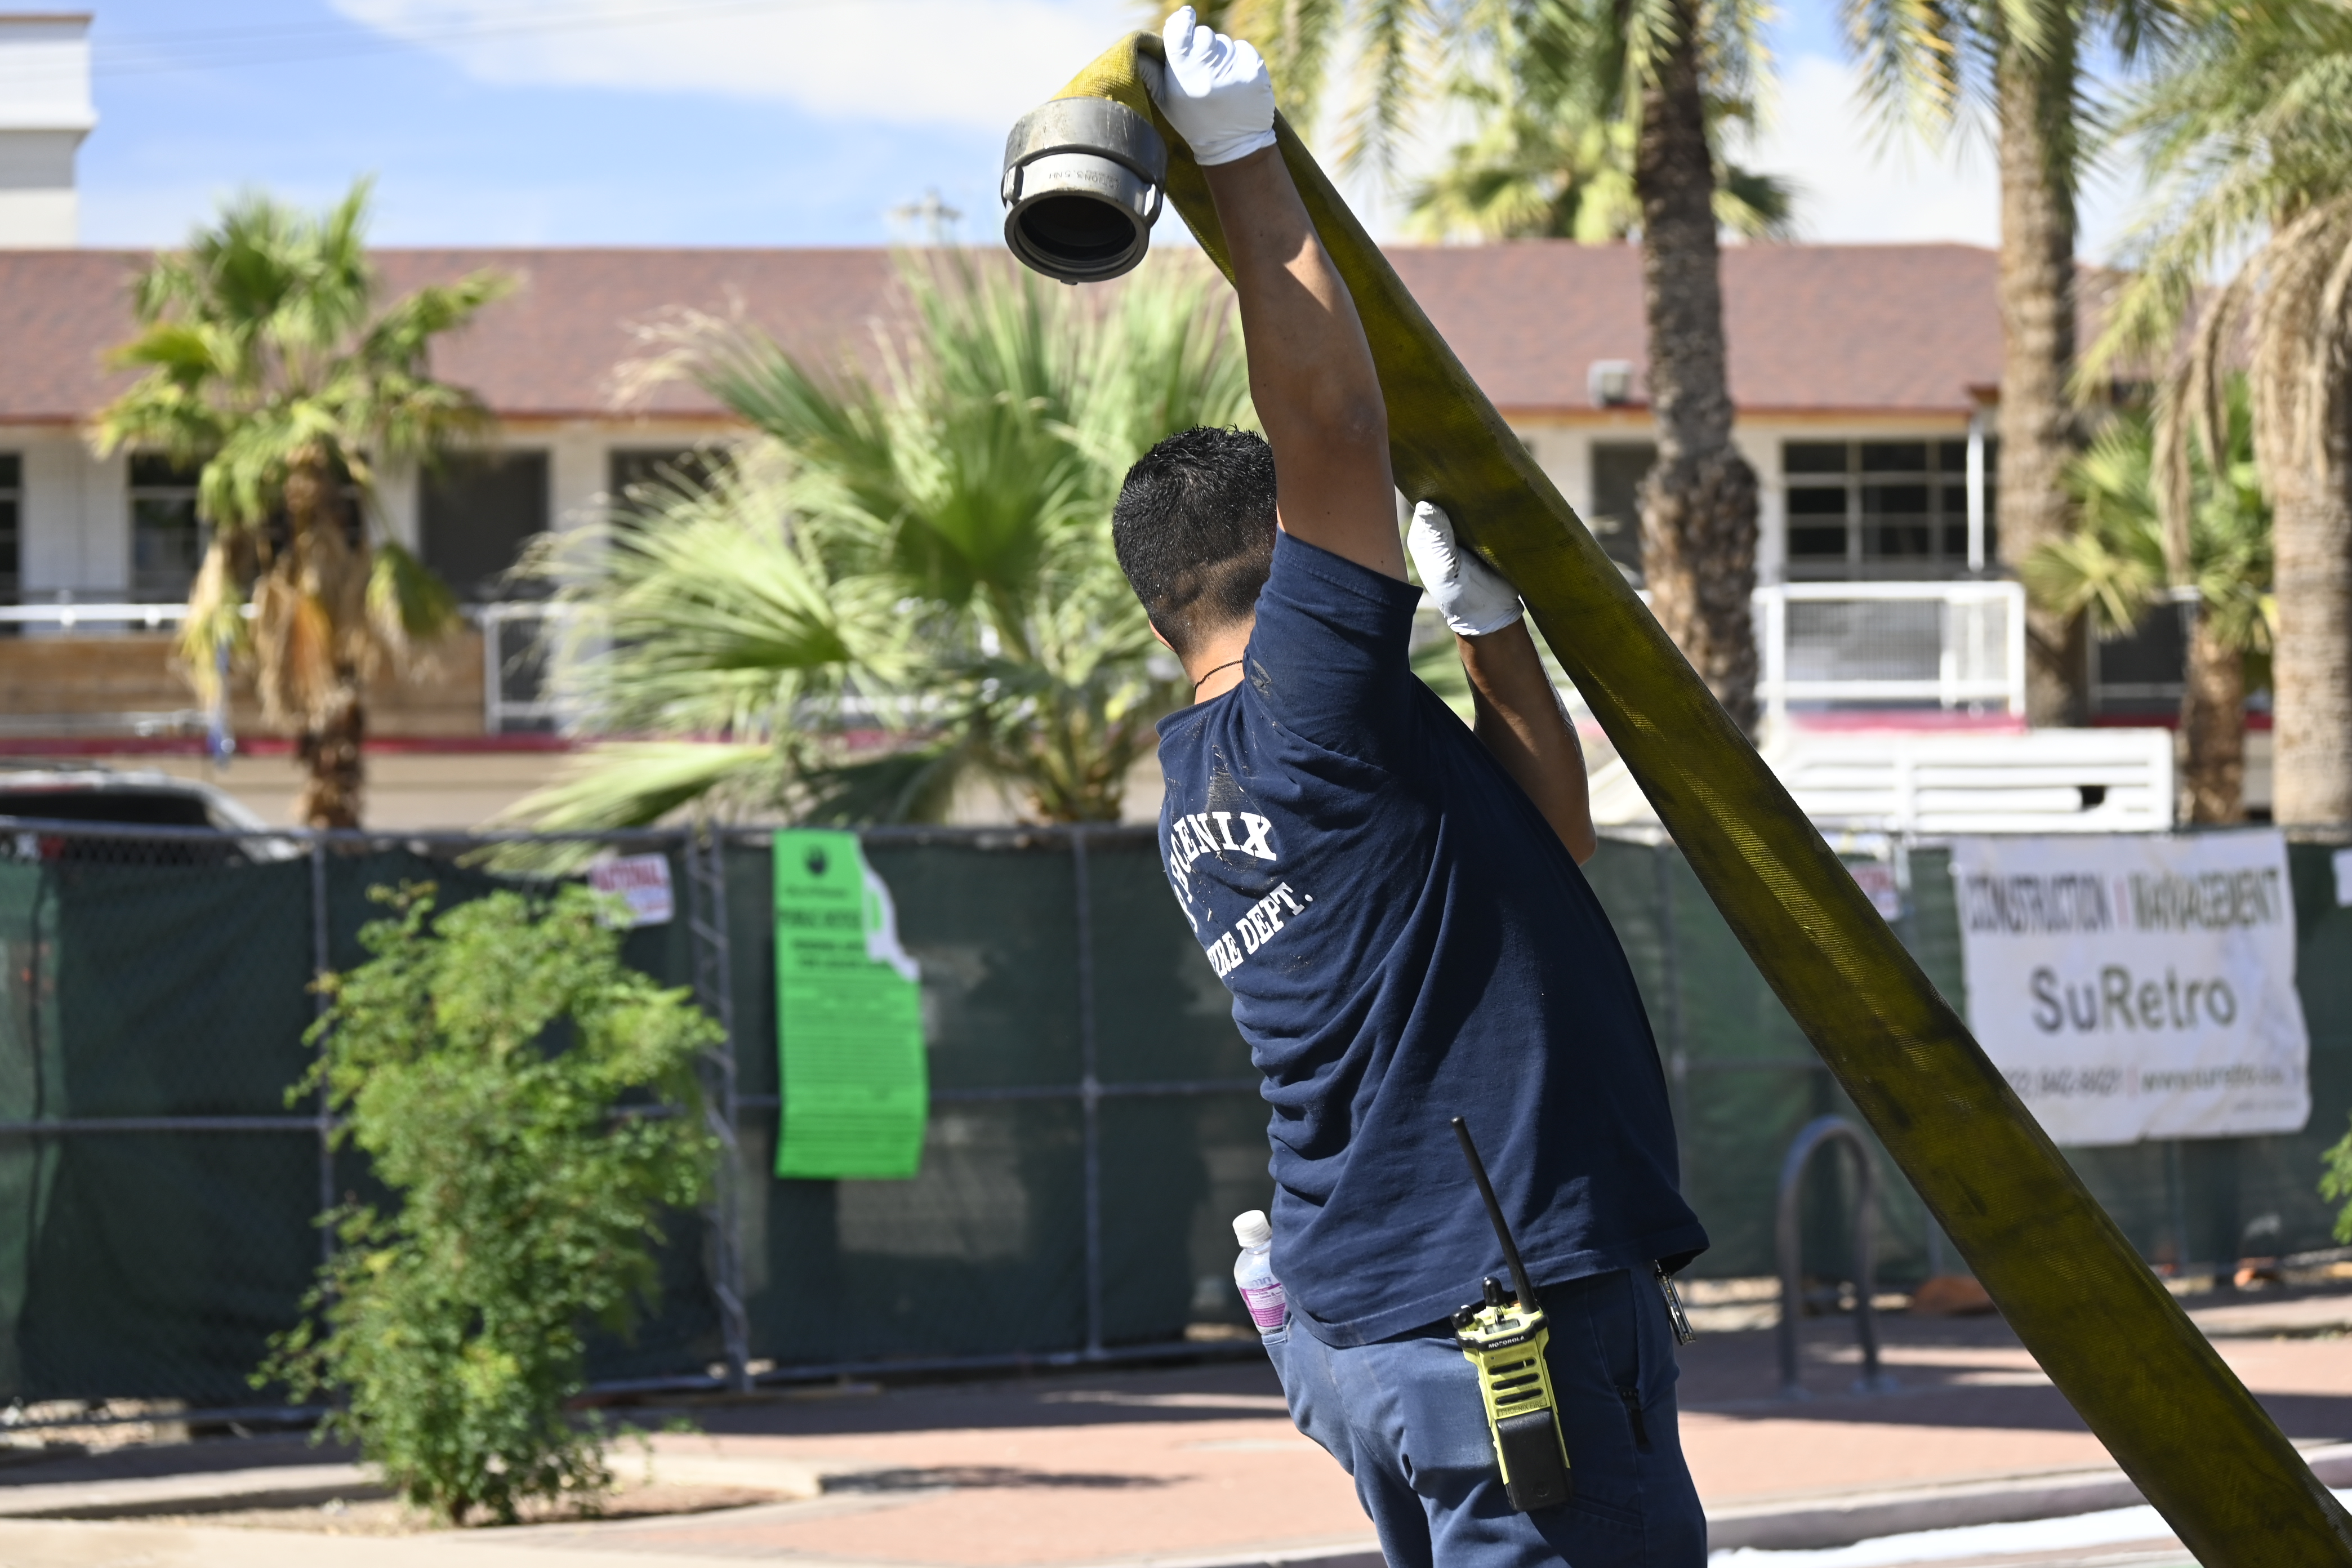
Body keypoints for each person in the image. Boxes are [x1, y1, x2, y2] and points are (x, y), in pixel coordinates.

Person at [1110, 11, 1710, 1565]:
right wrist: (1242, 157)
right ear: (1290, 555)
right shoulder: (1311, 704)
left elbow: (1548, 844)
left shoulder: (1208, 782)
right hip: (1495, 1325)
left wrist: (1490, 632)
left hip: (1377, 1330)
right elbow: (1334, 422)